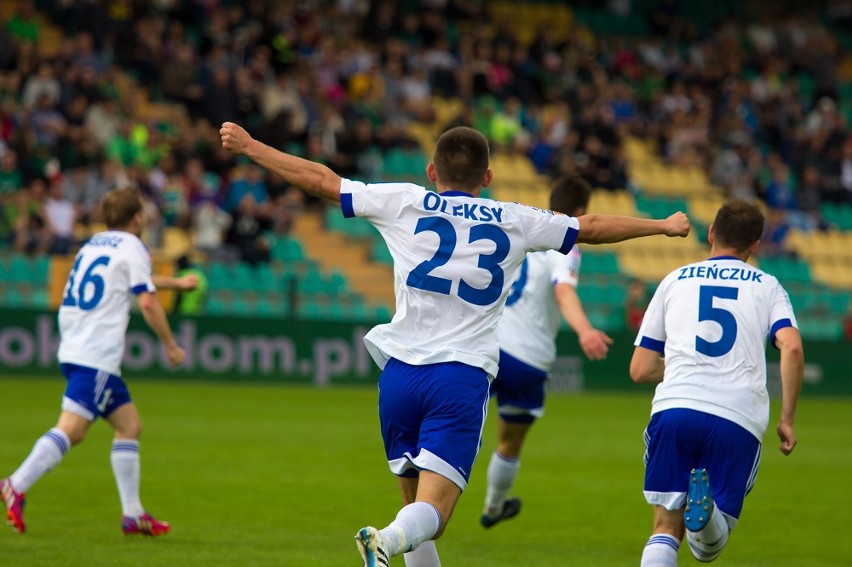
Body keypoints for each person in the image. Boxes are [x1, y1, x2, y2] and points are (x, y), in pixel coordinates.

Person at [219, 121, 690, 566]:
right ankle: (380, 539)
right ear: (487, 176)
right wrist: (662, 225)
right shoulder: (516, 219)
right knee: (434, 517)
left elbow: (321, 180)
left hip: (399, 375)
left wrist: (250, 146)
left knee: (416, 514)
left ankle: (389, 541)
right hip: (459, 377)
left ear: (431, 172)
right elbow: (590, 226)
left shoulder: (403, 200)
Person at [2, 187, 188, 536]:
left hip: (76, 344)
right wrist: (171, 345)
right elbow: (146, 302)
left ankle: (133, 514)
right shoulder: (133, 246)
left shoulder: (93, 244)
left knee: (129, 425)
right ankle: (16, 483)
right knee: (73, 429)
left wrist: (176, 283)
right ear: (137, 218)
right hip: (96, 353)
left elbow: (131, 281)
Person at [629, 199, 804, 566]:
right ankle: (706, 515)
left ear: (710, 233)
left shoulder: (674, 280)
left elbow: (641, 369)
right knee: (707, 549)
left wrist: (683, 366)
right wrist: (787, 418)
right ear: (755, 246)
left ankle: (699, 516)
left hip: (675, 408)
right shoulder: (768, 287)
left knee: (664, 527)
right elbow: (791, 348)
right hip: (737, 415)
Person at [480, 175, 613, 528]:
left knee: (462, 425)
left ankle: (431, 486)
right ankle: (493, 507)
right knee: (508, 443)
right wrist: (585, 330)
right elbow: (564, 291)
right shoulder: (567, 244)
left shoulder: (522, 225)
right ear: (582, 212)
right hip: (528, 358)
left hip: (489, 346)